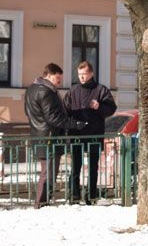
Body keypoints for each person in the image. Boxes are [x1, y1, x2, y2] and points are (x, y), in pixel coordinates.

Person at [24, 63, 87, 209]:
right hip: (49, 138)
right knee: (49, 173)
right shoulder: (46, 92)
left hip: (39, 135)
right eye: (58, 78)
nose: (59, 82)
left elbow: (29, 113)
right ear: (49, 75)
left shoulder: (31, 89)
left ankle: (42, 203)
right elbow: (54, 118)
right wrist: (75, 124)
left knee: (47, 171)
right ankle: (41, 204)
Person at [63, 61, 117, 204]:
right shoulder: (73, 91)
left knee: (93, 167)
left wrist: (99, 106)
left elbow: (111, 109)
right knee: (75, 166)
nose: (81, 77)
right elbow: (65, 111)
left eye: (84, 74)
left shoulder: (101, 90)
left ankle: (91, 195)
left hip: (94, 133)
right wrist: (68, 127)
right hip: (77, 134)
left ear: (91, 74)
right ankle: (74, 196)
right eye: (79, 74)